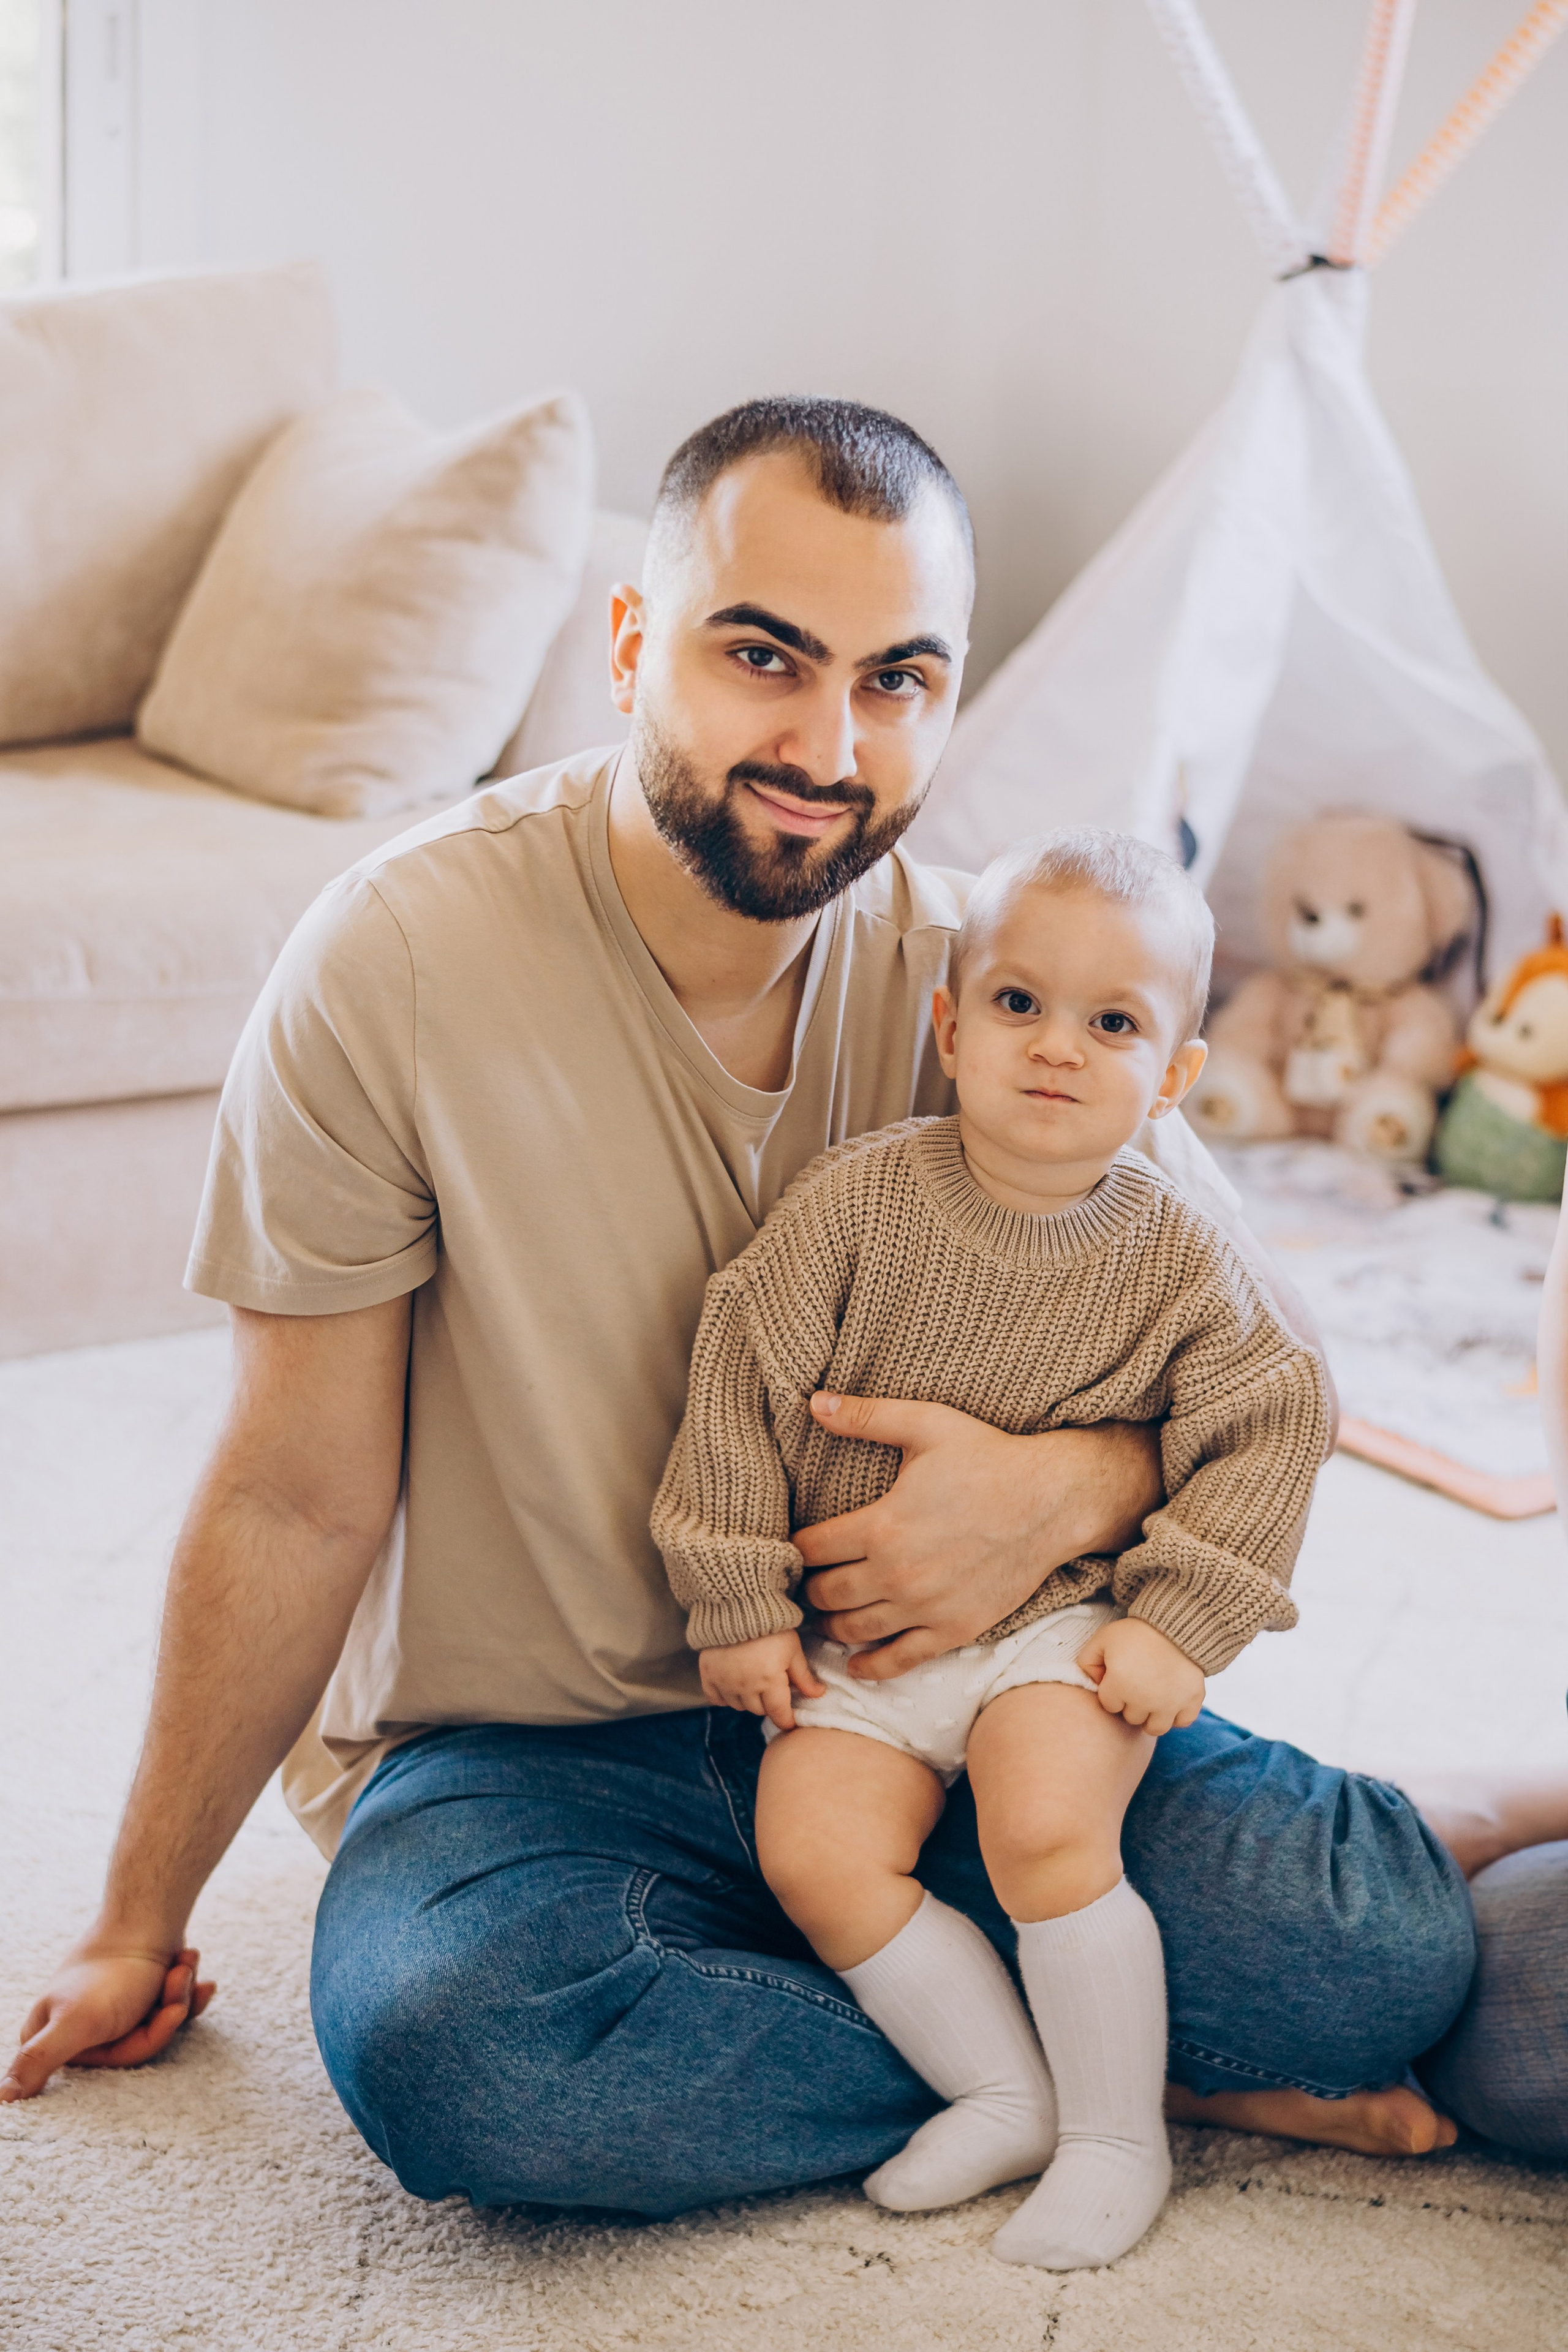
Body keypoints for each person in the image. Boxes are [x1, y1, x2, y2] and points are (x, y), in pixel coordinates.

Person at [2, 396, 1560, 2192]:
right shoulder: (395, 961)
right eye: (765, 656)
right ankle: (1116, 2074)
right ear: (629, 645)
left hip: (954, 1696)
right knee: (474, 2064)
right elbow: (295, 1486)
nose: (830, 742)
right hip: (524, 1764)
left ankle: (1116, 1983)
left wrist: (1071, 1487)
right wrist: (137, 1919)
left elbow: (1270, 1376)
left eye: (899, 678)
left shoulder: (1004, 991)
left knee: (1370, 1962)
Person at [654, 826, 1332, 2267]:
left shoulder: (1181, 1255)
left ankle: (1111, 2135)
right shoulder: (854, 1205)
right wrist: (732, 1592)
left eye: (1113, 1024)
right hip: (866, 1641)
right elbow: (737, 1376)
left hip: (1059, 1626)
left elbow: (1275, 1421)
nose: (1055, 1050)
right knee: (813, 1847)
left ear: (1172, 1078)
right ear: (951, 1028)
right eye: (1018, 1005)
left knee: (1043, 1824)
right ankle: (1000, 2089)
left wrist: (1180, 1619)